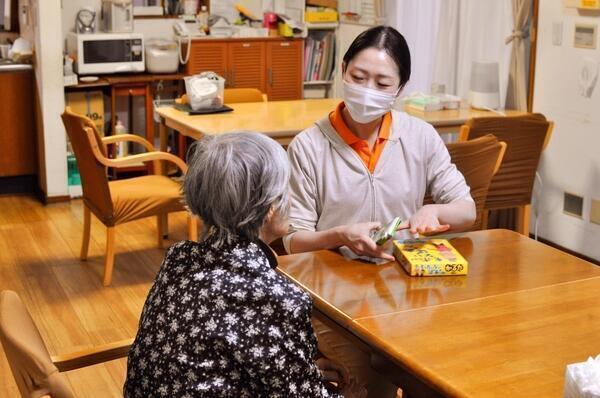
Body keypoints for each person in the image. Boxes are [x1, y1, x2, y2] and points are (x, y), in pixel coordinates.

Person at [284, 26, 476, 396]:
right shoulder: (308, 146)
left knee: (440, 379)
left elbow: (467, 210)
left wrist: (435, 210)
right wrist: (340, 235)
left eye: (383, 83)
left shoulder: (420, 136)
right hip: (335, 304)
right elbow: (293, 241)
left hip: (407, 296)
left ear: (400, 89)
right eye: (359, 77)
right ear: (342, 71)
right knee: (362, 387)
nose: (368, 90)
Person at [123, 133, 366, 397]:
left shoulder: (179, 257)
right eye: (286, 190)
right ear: (271, 208)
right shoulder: (275, 297)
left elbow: (212, 356)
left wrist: (298, 369)